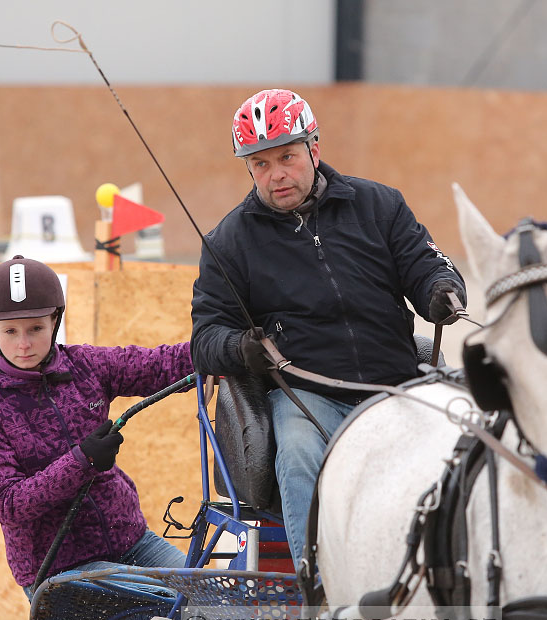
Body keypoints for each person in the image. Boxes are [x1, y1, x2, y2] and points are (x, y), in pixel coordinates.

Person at [190, 89, 466, 567]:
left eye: (287, 157)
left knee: (471, 441)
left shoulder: (380, 205)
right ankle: (318, 591)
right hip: (306, 397)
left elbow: (426, 265)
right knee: (296, 455)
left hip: (396, 387)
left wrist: (441, 289)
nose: (275, 174)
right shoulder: (228, 242)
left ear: (314, 148)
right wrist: (240, 348)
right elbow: (206, 337)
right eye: (259, 164)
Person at [0, 256, 195, 600]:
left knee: (214, 600)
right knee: (168, 602)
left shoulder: (84, 364)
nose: (23, 344)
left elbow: (157, 365)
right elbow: (7, 505)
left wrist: (218, 349)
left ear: (55, 321)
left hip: (132, 541)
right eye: (10, 331)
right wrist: (81, 461)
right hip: (58, 570)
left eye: (36, 329)